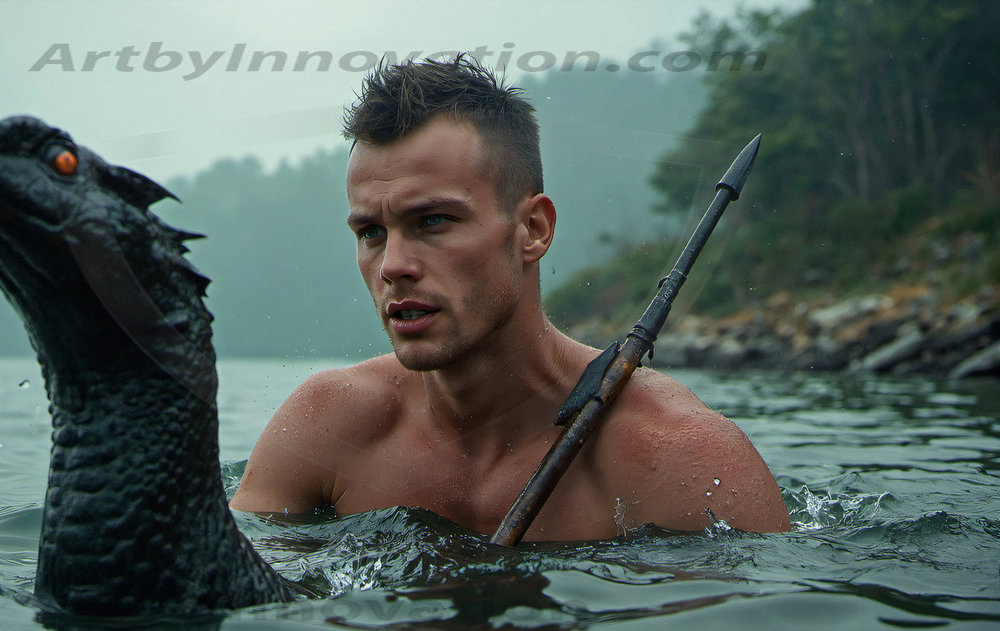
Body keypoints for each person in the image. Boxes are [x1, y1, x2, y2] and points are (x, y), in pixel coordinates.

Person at [229, 55, 790, 541]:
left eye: (433, 221)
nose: (393, 265)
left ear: (533, 230)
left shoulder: (678, 462)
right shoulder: (328, 429)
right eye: (371, 232)